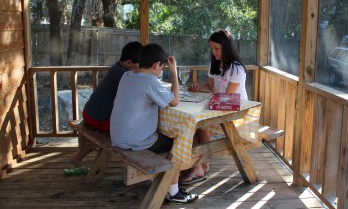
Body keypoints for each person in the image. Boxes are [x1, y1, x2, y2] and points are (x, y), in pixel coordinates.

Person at [110, 43, 198, 204]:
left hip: (117, 137)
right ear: (156, 65)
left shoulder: (127, 76)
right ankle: (173, 191)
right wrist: (173, 71)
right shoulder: (150, 82)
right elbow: (175, 101)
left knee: (162, 133)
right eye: (162, 67)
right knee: (177, 141)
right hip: (134, 142)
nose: (160, 71)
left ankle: (155, 180)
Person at [180, 29, 248, 185]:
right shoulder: (214, 64)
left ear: (227, 47)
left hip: (236, 110)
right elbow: (210, 87)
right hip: (219, 105)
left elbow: (227, 96)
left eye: (217, 48)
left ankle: (200, 164)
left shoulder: (236, 68)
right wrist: (198, 87)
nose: (213, 52)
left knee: (199, 125)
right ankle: (201, 165)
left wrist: (211, 95)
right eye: (211, 48)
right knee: (195, 124)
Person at [64, 41, 143, 174]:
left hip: (90, 112)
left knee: (118, 131)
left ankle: (78, 157)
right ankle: (135, 168)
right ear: (129, 63)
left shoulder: (117, 68)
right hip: (97, 117)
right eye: (139, 65)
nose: (140, 68)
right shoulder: (123, 75)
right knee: (128, 131)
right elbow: (139, 91)